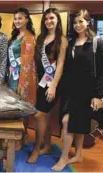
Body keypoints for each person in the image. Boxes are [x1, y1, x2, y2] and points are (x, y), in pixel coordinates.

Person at [52, 9, 103, 171]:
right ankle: (79, 154)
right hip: (70, 90)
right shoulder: (71, 42)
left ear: (88, 22)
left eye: (81, 21)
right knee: (77, 124)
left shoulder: (97, 42)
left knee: (69, 122)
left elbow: (101, 71)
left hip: (87, 92)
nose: (77, 25)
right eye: (75, 22)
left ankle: (64, 157)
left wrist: (99, 96)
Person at [27, 8, 68, 163]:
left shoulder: (61, 39)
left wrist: (53, 86)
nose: (49, 21)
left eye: (52, 18)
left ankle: (37, 149)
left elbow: (61, 64)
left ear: (58, 20)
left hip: (53, 83)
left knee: (40, 114)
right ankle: (48, 145)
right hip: (40, 82)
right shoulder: (41, 37)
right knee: (44, 115)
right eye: (46, 19)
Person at [8, 7, 38, 139]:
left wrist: (23, 81)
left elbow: (29, 61)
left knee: (22, 106)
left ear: (27, 19)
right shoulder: (15, 36)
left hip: (22, 77)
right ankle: (14, 134)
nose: (17, 21)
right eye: (15, 18)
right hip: (12, 76)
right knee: (13, 106)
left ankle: (22, 134)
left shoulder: (30, 37)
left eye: (20, 18)